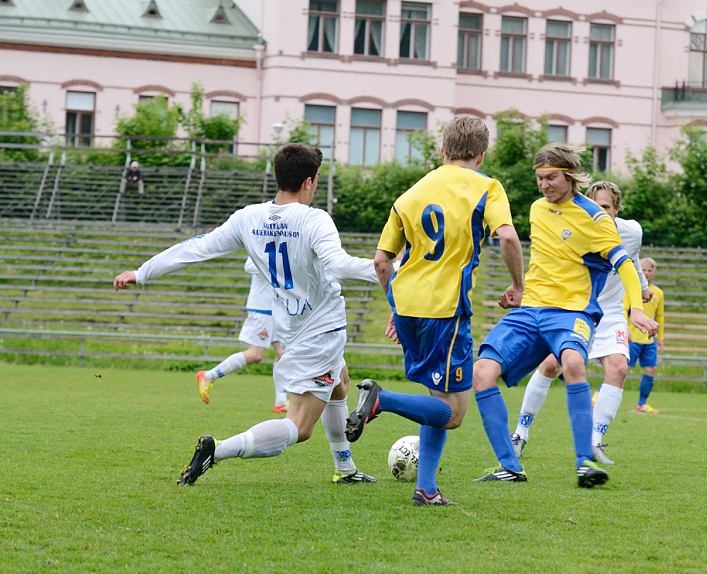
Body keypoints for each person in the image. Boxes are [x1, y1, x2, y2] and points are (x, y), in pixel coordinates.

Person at [113, 143, 379, 485]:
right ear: (310, 182)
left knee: (341, 384)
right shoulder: (315, 219)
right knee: (299, 427)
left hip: (293, 327)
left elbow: (196, 246)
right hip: (318, 332)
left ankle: (346, 470)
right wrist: (396, 269)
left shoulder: (248, 217)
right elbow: (340, 265)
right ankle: (217, 449)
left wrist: (142, 272)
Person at [343, 116, 526, 506]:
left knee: (437, 398)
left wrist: (396, 304)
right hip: (445, 310)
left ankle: (426, 487)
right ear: (481, 154)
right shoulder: (488, 187)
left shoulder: (410, 193)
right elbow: (508, 235)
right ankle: (382, 400)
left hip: (407, 305)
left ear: (442, 152)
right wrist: (518, 286)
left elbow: (381, 262)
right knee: (455, 413)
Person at [471, 143, 659, 488]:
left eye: (551, 178)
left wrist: (635, 308)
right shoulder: (536, 209)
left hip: (573, 311)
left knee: (573, 362)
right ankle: (510, 464)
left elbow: (626, 266)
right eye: (540, 178)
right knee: (482, 371)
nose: (544, 185)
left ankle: (584, 461)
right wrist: (519, 289)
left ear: (570, 176)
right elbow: (543, 258)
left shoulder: (596, 218)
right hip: (531, 309)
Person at [511, 181, 650, 466]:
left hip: (610, 312)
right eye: (596, 206)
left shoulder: (632, 231)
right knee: (550, 364)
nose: (601, 213)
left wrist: (643, 288)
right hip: (577, 308)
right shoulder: (576, 229)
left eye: (607, 207)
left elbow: (631, 259)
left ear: (617, 208)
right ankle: (520, 435)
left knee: (620, 368)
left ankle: (594, 442)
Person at [195, 257, 289, 413]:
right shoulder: (262, 241)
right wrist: (276, 265)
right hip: (261, 309)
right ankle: (208, 376)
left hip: (278, 308)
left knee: (283, 354)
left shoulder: (285, 242)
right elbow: (249, 266)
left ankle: (280, 401)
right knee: (255, 354)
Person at [626, 257, 665, 413]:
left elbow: (660, 316)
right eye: (644, 270)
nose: (647, 273)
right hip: (632, 337)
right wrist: (624, 329)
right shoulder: (631, 289)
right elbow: (623, 310)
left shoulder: (659, 293)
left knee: (651, 369)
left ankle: (642, 403)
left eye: (650, 270)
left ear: (654, 272)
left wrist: (660, 338)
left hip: (649, 339)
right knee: (620, 369)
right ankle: (600, 393)